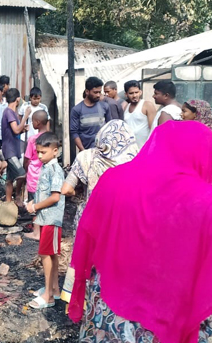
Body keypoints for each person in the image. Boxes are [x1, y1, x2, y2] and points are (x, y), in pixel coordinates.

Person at [68, 121, 212, 343]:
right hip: (171, 315)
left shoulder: (113, 179)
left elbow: (89, 235)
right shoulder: (209, 201)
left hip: (109, 306)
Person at [59, 120, 139, 306]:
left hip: (89, 216)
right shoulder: (134, 160)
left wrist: (80, 196)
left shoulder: (85, 157)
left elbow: (66, 189)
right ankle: (107, 303)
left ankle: (78, 300)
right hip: (120, 220)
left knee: (85, 257)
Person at [26, 132, 64, 309]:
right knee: (50, 254)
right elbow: (45, 193)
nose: (40, 156)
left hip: (51, 218)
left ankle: (48, 295)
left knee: (45, 255)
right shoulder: (46, 167)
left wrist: (35, 207)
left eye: (43, 152)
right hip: (45, 218)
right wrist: (35, 202)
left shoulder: (56, 170)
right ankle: (54, 289)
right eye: (38, 152)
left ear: (55, 151)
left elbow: (55, 197)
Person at [23, 110, 52, 241]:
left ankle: (36, 232)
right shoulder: (52, 138)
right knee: (46, 202)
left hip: (35, 177)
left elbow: (27, 158)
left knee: (34, 204)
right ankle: (46, 229)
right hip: (48, 177)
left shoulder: (33, 139)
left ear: (37, 122)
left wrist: (26, 169)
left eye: (32, 121)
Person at [2, 88, 31, 207]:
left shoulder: (11, 112)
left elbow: (15, 131)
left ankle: (8, 204)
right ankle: (17, 196)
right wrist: (25, 116)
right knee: (22, 174)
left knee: (9, 179)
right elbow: (16, 129)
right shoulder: (9, 112)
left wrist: (23, 129)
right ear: (17, 99)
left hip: (14, 148)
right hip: (10, 150)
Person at [70, 76, 111, 151]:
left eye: (99, 92)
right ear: (87, 92)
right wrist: (83, 151)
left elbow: (110, 127)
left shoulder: (105, 106)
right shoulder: (77, 110)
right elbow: (74, 133)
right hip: (87, 152)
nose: (98, 95)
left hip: (104, 151)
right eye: (95, 92)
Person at [122, 80, 156, 147]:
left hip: (144, 148)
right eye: (131, 93)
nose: (134, 95)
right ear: (126, 94)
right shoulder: (126, 107)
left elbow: (153, 128)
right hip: (130, 149)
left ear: (140, 92)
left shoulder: (147, 105)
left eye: (136, 92)